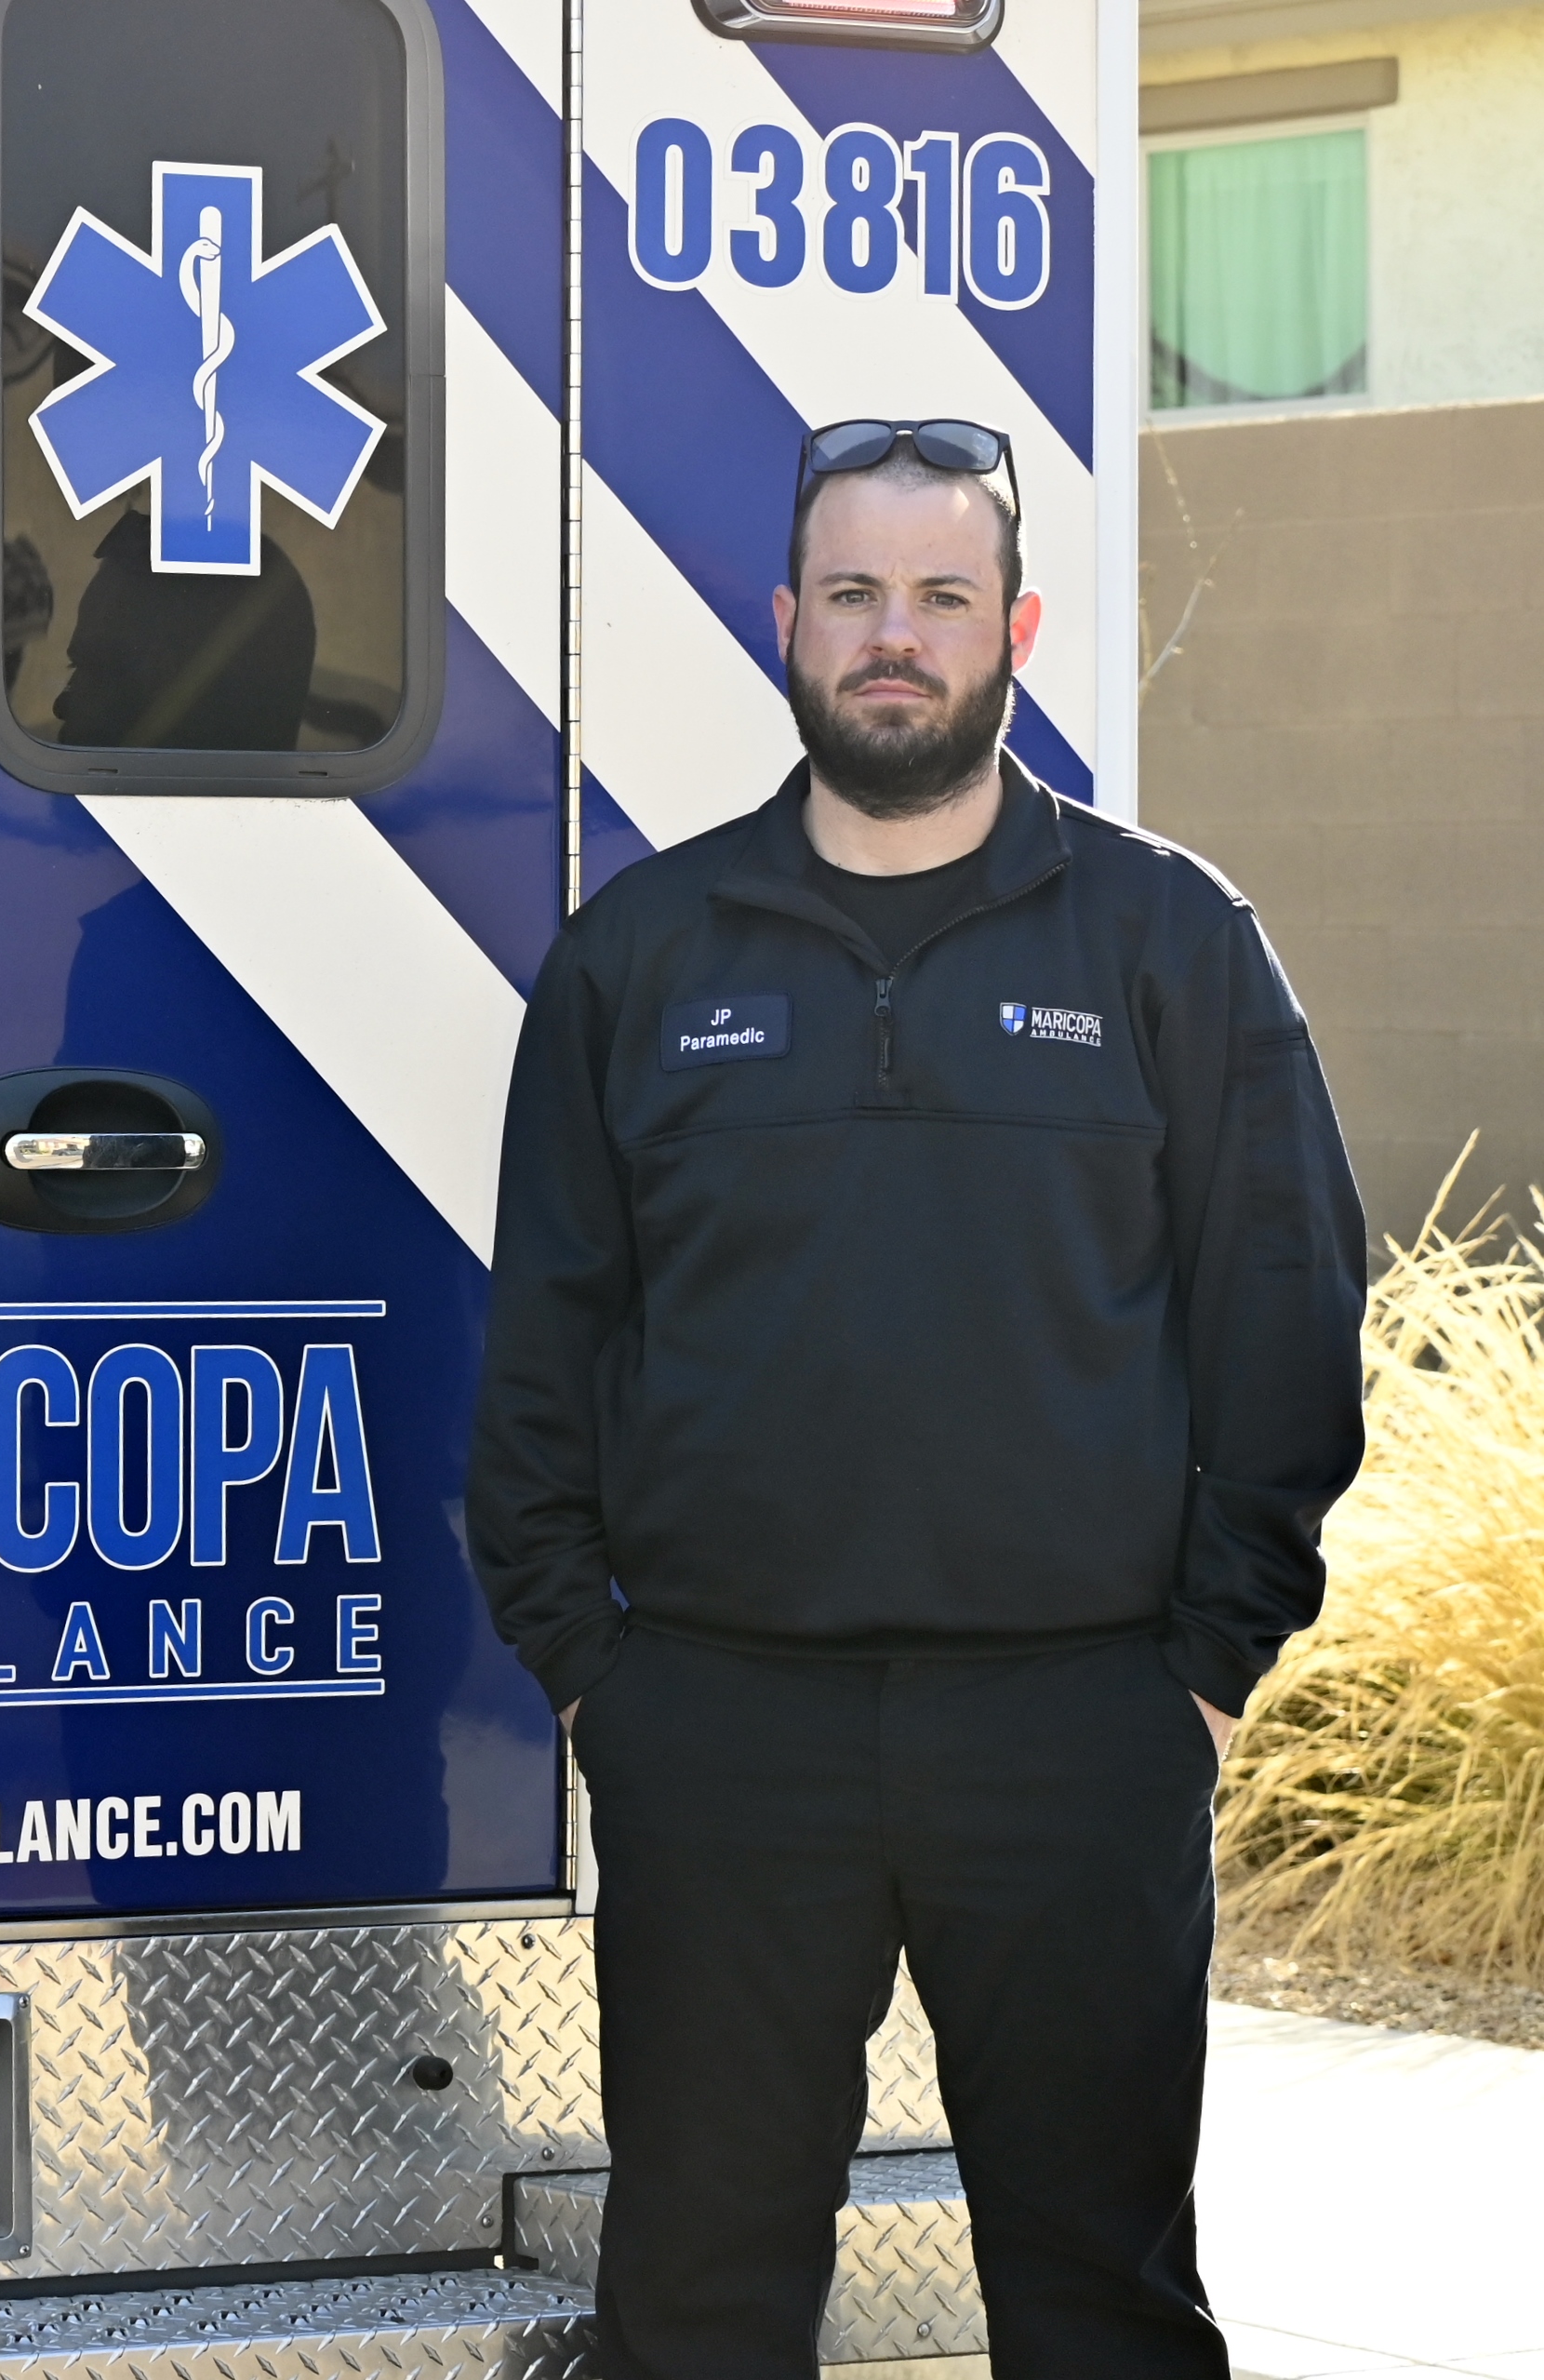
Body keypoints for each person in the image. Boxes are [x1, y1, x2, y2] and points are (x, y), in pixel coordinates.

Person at [467, 418, 1365, 2376]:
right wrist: (596, 1678)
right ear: (785, 621)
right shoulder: (641, 958)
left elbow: (1286, 1314)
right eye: (854, 593)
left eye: (942, 595)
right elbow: (543, 1345)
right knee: (694, 2308)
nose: (896, 635)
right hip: (721, 1734)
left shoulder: (1169, 940)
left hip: (1078, 1731)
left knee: (1102, 2303)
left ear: (1014, 629)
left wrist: (1205, 1667)